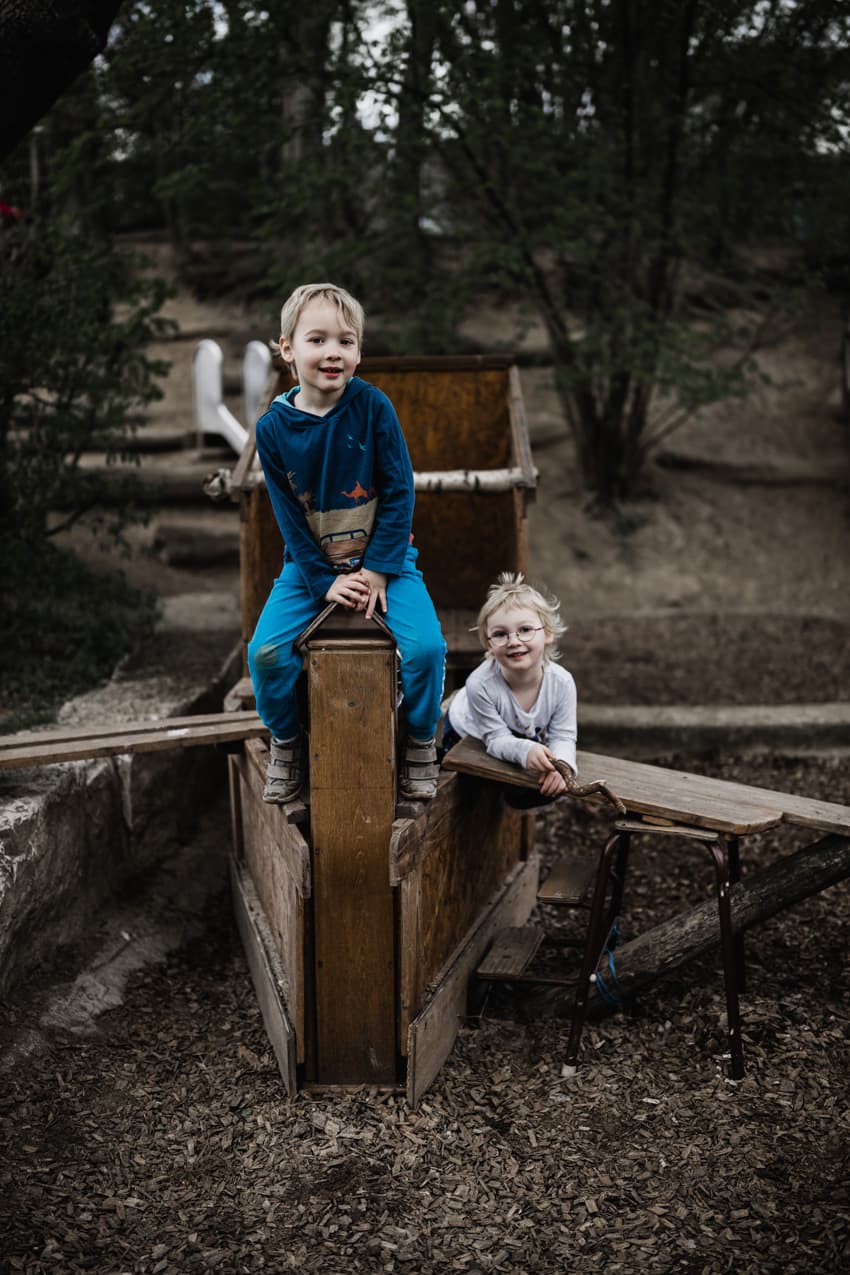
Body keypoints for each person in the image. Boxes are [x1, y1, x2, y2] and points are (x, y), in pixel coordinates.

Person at [248, 282, 446, 804]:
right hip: (310, 565)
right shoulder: (272, 429)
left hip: (387, 562)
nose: (333, 352)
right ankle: (288, 741)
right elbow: (288, 518)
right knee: (265, 653)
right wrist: (322, 580)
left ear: (359, 351)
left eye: (346, 341)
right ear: (288, 349)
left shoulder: (373, 407)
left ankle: (420, 738)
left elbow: (400, 491)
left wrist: (378, 569)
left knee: (426, 649)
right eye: (317, 340)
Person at [441, 572, 576, 805]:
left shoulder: (562, 683)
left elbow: (563, 735)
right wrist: (525, 750)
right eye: (500, 634)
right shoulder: (480, 684)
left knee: (538, 782)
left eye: (525, 630)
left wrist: (563, 766)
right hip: (467, 732)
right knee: (472, 789)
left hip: (519, 733)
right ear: (489, 645)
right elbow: (495, 739)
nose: (513, 641)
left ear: (548, 633)